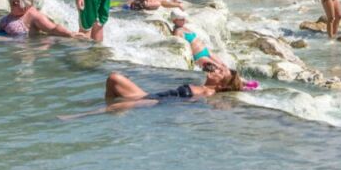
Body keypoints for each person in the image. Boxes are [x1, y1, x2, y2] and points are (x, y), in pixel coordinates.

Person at [103, 62, 246, 107]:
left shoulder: (207, 92)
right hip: (149, 95)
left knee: (104, 110)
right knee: (114, 78)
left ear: (221, 86)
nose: (215, 70)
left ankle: (85, 116)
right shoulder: (204, 87)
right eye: (219, 68)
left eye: (220, 73)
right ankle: (113, 111)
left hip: (153, 102)